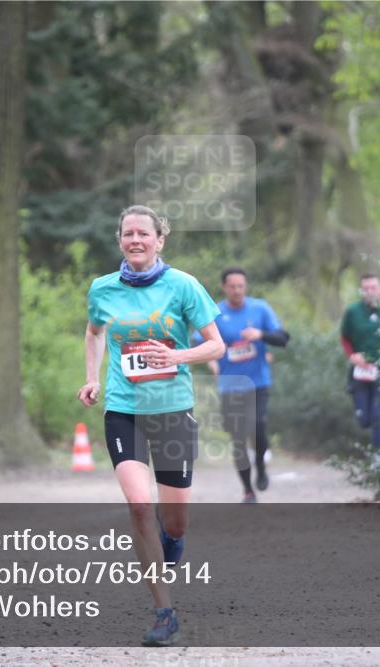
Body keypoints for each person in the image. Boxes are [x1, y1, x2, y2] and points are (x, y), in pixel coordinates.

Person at [77, 205, 225, 647]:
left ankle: (170, 541)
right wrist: (92, 377)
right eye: (128, 233)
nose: (135, 240)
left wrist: (176, 355)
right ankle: (165, 613)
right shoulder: (103, 288)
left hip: (173, 411)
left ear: (160, 240)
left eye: (144, 233)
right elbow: (94, 332)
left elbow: (216, 345)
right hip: (124, 410)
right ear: (120, 240)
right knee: (140, 505)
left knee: (175, 523)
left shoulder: (183, 285)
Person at [195, 268, 289, 503]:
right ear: (224, 287)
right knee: (238, 438)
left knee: (258, 426)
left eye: (241, 286)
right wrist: (211, 362)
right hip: (230, 386)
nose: (237, 290)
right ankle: (248, 490)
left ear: (245, 287)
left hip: (258, 383)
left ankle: (261, 467)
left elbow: (283, 338)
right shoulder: (215, 313)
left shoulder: (260, 309)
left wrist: (260, 335)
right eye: (232, 286)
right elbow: (198, 343)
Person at [340, 273, 380, 450]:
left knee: (378, 415)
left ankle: (379, 457)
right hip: (360, 372)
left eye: (373, 287)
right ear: (361, 291)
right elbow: (345, 337)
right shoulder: (353, 312)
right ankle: (376, 448)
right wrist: (352, 355)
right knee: (364, 419)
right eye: (365, 288)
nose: (369, 292)